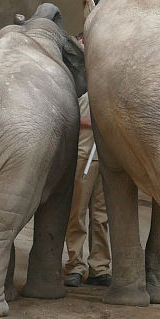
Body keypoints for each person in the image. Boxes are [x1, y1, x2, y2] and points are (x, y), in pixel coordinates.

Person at [63, 34, 111, 288]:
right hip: (84, 149)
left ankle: (99, 266)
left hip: (105, 151)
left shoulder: (106, 72)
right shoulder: (74, 75)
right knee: (77, 210)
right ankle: (75, 264)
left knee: (102, 214)